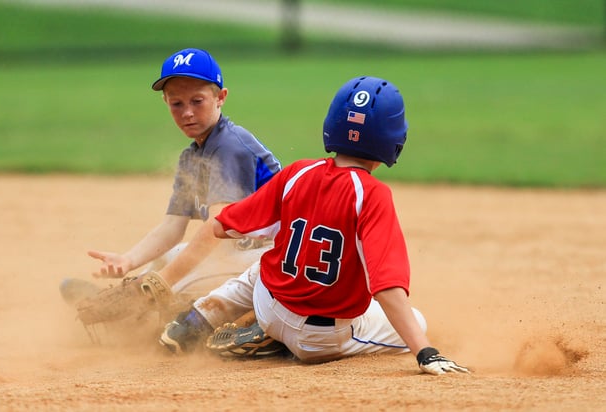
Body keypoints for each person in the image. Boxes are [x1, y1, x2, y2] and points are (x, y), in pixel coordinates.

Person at [159, 76, 469, 375]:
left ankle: (194, 320)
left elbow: (223, 226)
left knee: (262, 269)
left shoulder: (298, 172)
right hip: (318, 340)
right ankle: (280, 344)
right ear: (393, 138)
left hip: (268, 308)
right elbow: (386, 287)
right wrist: (425, 351)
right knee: (418, 321)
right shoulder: (373, 195)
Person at [87, 48, 281, 297]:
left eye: (197, 101)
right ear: (166, 103)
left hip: (278, 255)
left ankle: (137, 317)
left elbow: (216, 226)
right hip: (243, 250)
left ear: (220, 97)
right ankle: (123, 303)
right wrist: (128, 260)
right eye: (177, 103)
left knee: (180, 284)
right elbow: (172, 226)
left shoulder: (229, 146)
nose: (187, 112)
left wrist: (161, 283)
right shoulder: (192, 157)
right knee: (168, 259)